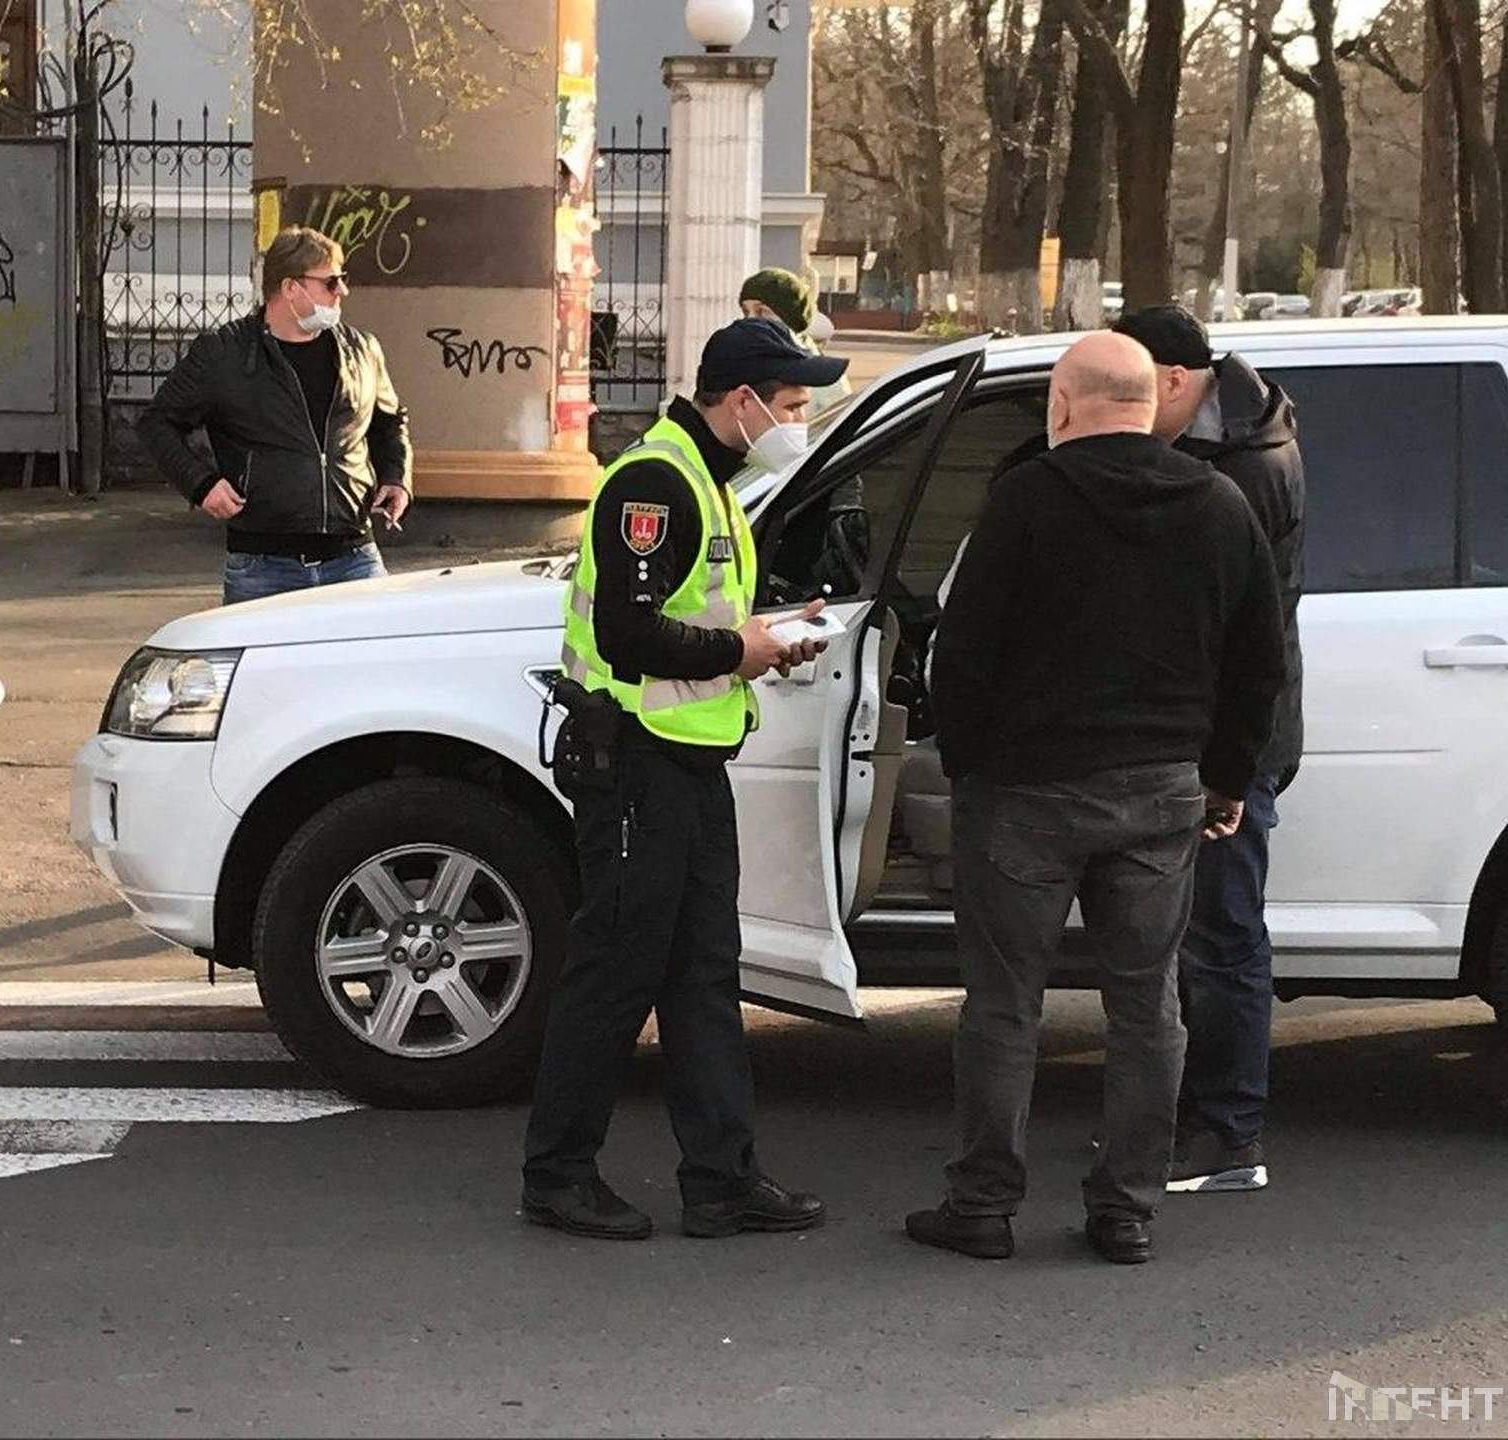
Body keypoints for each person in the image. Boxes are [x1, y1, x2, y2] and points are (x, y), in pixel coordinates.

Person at [906, 332, 1286, 1265]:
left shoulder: (1025, 500)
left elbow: (963, 650)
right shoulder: (1220, 503)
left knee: (1003, 1006)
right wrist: (1226, 779)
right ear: (1150, 401)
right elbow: (1259, 663)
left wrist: (968, 761)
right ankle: (1126, 1211)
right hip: (1161, 794)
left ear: (1065, 406)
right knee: (1147, 1007)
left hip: (1026, 795)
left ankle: (984, 1205)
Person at [521, 317, 846, 1241]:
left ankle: (722, 1179)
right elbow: (627, 634)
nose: (798, 420)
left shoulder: (708, 480)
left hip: (688, 765)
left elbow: (688, 621)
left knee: (704, 974)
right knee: (615, 972)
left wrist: (765, 637)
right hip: (634, 764)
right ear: (740, 401)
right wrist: (737, 650)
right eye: (789, 406)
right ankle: (557, 1175)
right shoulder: (656, 481)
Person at [1112, 305, 1305, 1195]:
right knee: (1193, 933)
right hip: (1215, 735)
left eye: (1135, 389)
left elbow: (1229, 635)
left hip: (1224, 742)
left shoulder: (1240, 468)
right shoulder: (1236, 434)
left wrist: (1222, 765)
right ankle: (1189, 1116)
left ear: (1177, 384)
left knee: (1221, 937)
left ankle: (1227, 1135)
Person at [137, 226, 413, 604]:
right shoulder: (225, 354)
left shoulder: (361, 350)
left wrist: (396, 477)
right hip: (263, 565)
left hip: (353, 555)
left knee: (376, 661)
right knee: (263, 665)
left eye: (342, 281)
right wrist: (201, 484)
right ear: (290, 288)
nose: (342, 292)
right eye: (331, 282)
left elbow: (389, 420)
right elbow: (157, 422)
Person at [739, 266, 850, 418]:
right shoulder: (741, 359)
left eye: (762, 311)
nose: (750, 319)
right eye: (746, 311)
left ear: (790, 317)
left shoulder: (822, 375)